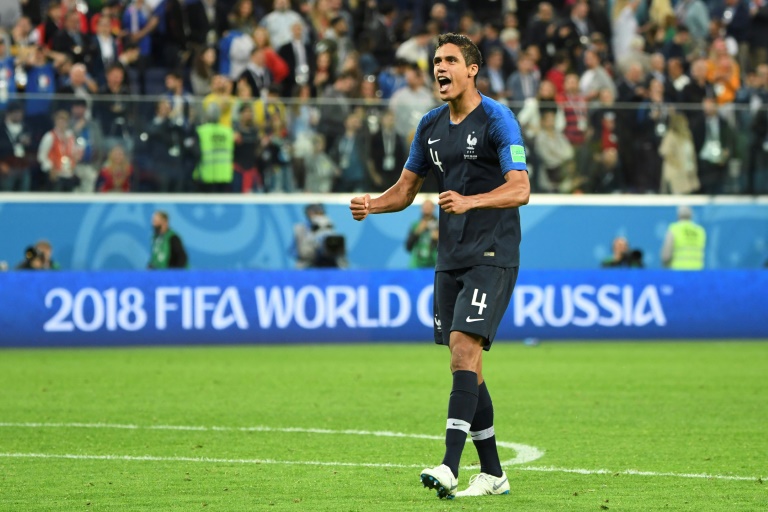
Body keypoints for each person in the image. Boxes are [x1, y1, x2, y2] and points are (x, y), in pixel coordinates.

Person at [349, 33, 530, 499]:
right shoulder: (430, 125)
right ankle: (494, 474)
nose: (440, 68)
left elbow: (520, 188)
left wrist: (471, 201)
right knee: (465, 363)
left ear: (472, 69)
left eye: (450, 60)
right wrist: (372, 204)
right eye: (436, 61)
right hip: (450, 257)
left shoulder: (498, 119)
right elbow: (405, 190)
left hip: (492, 253)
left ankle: (449, 466)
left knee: (464, 351)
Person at [294, 204, 347, 268]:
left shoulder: (328, 223)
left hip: (331, 260)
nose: (316, 213)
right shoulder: (300, 228)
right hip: (309, 260)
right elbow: (298, 252)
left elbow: (334, 244)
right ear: (307, 212)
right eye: (313, 211)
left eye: (319, 210)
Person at [661, 205, 706, 270]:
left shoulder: (674, 229)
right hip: (697, 271)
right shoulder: (700, 231)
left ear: (678, 215)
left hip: (678, 271)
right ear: (691, 215)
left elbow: (666, 256)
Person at [406, 199, 439, 268]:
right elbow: (408, 246)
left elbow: (447, 248)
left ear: (434, 208)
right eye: (425, 206)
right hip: (416, 265)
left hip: (434, 264)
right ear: (421, 209)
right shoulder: (415, 225)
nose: (427, 208)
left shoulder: (439, 225)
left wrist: (438, 239)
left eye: (429, 206)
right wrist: (416, 233)